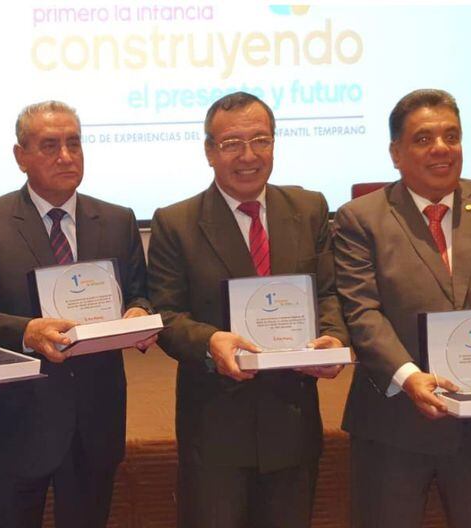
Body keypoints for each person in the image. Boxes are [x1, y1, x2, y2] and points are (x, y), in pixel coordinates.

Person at [147, 91, 349, 528]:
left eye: (260, 140)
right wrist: (211, 341)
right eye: (231, 143)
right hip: (216, 428)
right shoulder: (175, 222)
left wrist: (333, 337)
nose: (248, 156)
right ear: (209, 151)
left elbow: (329, 293)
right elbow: (165, 315)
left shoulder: (309, 209)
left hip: (293, 421)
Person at [0, 100, 156, 528]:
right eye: (50, 145)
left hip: (95, 421)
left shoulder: (117, 220)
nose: (66, 156)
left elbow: (140, 293)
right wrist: (26, 331)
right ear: (20, 156)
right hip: (13, 423)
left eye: (74, 143)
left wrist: (139, 311)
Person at [333, 89, 471, 528]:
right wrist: (408, 377)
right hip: (394, 425)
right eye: (423, 139)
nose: (441, 148)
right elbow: (362, 312)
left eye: (451, 136)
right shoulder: (360, 218)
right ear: (395, 153)